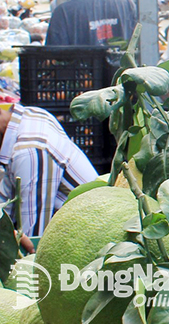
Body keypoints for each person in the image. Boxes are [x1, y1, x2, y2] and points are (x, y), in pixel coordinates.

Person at [0, 103, 98, 251]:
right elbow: (6, 206)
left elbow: (33, 244)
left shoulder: (30, 152)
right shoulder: (29, 115)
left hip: (92, 239)